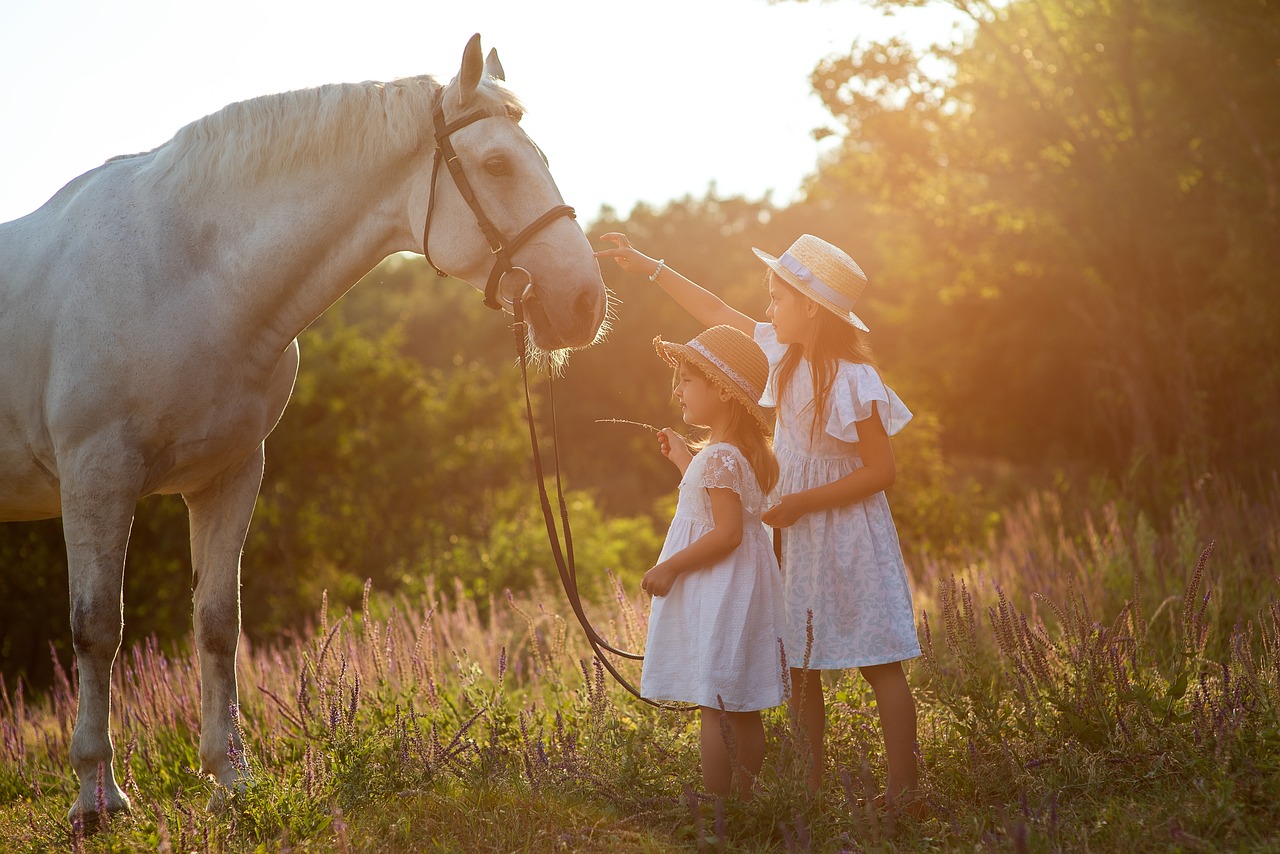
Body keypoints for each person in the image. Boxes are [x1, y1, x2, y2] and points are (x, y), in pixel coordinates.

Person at [598, 233, 922, 811]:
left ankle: (904, 791)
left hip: (844, 530)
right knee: (797, 659)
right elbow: (716, 313)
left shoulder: (853, 379)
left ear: (811, 308)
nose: (767, 308)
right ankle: (811, 787)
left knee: (878, 660)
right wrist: (650, 267)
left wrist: (803, 502)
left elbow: (881, 470)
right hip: (790, 525)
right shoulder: (782, 354)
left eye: (777, 298)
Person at [638, 325, 787, 800]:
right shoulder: (732, 454)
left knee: (715, 704)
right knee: (739, 704)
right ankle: (745, 802)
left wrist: (671, 567)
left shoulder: (722, 457)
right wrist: (686, 461)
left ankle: (720, 809)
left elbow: (726, 532)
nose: (676, 389)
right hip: (739, 588)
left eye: (686, 380)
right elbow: (717, 510)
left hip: (722, 591)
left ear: (722, 390)